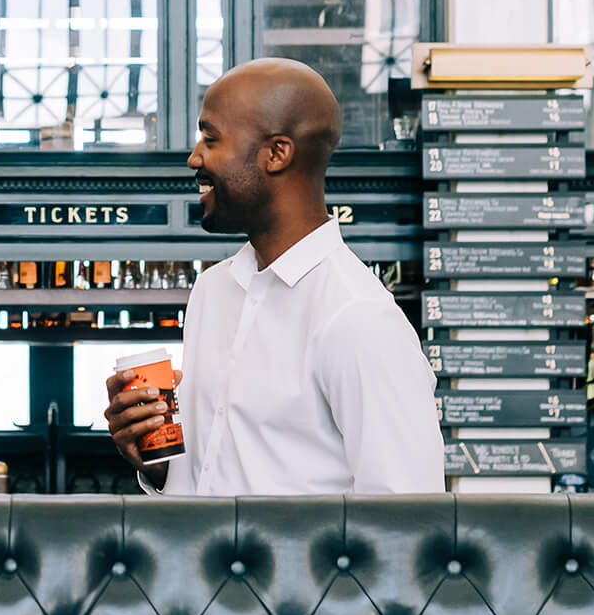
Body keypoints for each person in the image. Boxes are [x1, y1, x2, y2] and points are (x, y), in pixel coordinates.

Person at [104, 58, 444, 495]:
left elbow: (406, 520)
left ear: (277, 153)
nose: (194, 157)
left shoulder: (358, 317)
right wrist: (154, 463)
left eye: (210, 138)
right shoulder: (213, 291)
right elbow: (201, 482)